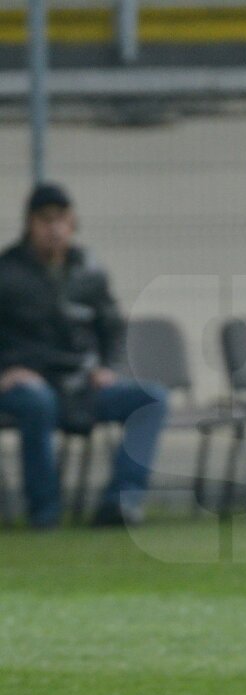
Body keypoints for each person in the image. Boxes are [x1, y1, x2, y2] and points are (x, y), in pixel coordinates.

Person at [0, 183, 168, 529]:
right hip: (26, 384)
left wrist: (107, 367)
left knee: (150, 398)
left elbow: (113, 329)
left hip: (80, 383)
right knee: (38, 402)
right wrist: (6, 371)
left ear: (73, 222)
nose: (54, 228)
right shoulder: (8, 272)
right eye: (45, 220)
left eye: (61, 219)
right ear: (30, 223)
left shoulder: (88, 270)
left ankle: (120, 503)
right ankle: (44, 513)